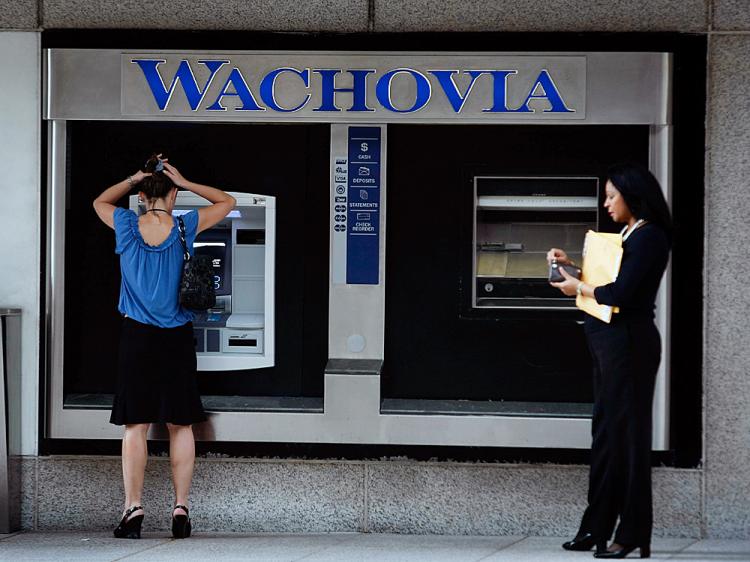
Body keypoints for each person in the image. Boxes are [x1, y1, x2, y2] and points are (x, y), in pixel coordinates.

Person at [93, 154, 236, 539]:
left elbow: (100, 202)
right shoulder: (186, 226)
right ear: (172, 196)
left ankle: (134, 507)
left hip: (136, 336)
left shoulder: (124, 224)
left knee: (135, 426)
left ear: (141, 197)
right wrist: (186, 182)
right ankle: (180, 508)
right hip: (176, 337)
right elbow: (227, 202)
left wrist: (133, 178)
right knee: (180, 423)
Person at [548, 163, 672, 559]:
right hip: (608, 342)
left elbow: (620, 292)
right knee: (605, 435)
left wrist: (578, 286)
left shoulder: (650, 236)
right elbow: (608, 282)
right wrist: (574, 268)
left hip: (630, 345)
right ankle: (596, 526)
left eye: (611, 196)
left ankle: (633, 531)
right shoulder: (627, 233)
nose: (606, 204)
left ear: (633, 196)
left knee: (630, 439)